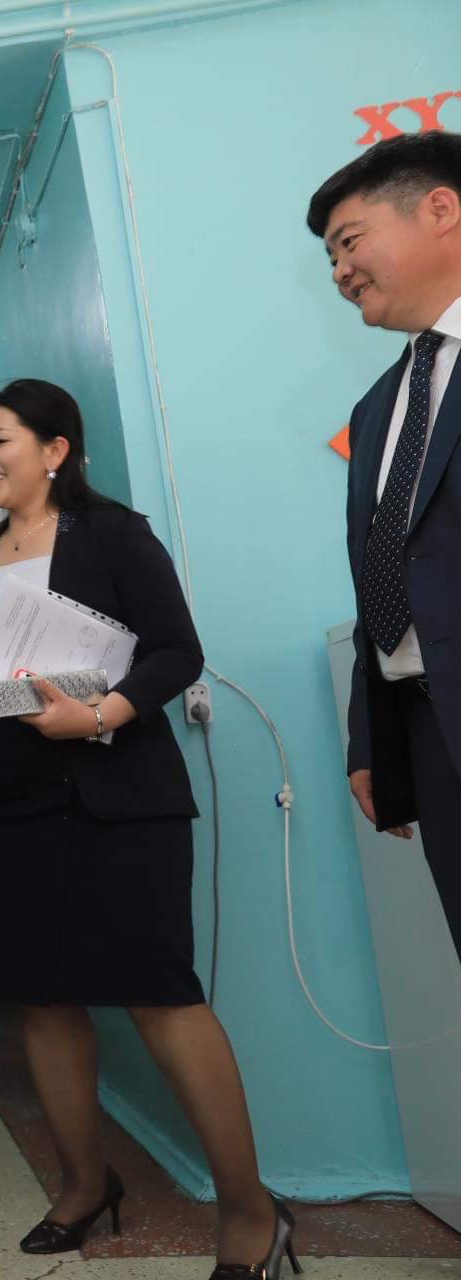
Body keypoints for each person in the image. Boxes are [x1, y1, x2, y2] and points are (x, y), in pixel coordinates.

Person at [0, 380, 297, 1279]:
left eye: (0, 440)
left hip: (119, 798)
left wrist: (98, 714)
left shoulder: (113, 533)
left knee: (161, 997)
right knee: (42, 1000)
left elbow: (176, 650)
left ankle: (250, 1210)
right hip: (12, 807)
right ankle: (86, 1186)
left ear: (56, 450)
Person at [310, 130, 461, 963]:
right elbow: (383, 577)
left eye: (350, 241)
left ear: (440, 209)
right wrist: (372, 740)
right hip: (428, 735)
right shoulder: (376, 409)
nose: (339, 271)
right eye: (330, 257)